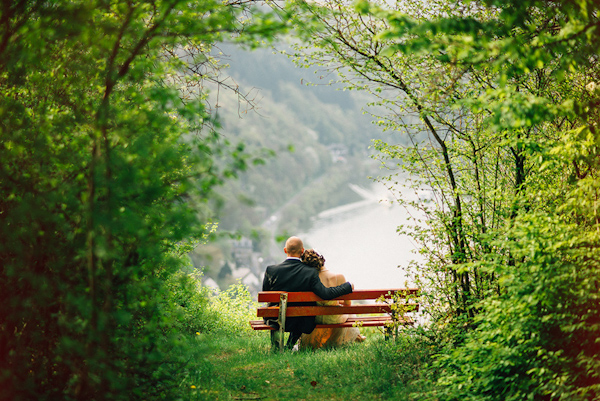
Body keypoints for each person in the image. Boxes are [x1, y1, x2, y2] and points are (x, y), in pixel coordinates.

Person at [262, 236, 354, 350]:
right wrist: (347, 287)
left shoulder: (271, 270)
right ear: (302, 251)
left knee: (277, 310)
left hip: (274, 319)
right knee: (301, 314)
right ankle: (289, 345)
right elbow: (325, 294)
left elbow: (266, 294)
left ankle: (276, 347)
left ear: (285, 250)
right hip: (299, 321)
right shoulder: (309, 272)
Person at [298, 249, 366, 349]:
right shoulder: (339, 277)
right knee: (350, 312)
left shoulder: (310, 281)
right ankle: (356, 336)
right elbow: (347, 304)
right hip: (335, 318)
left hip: (317, 318)